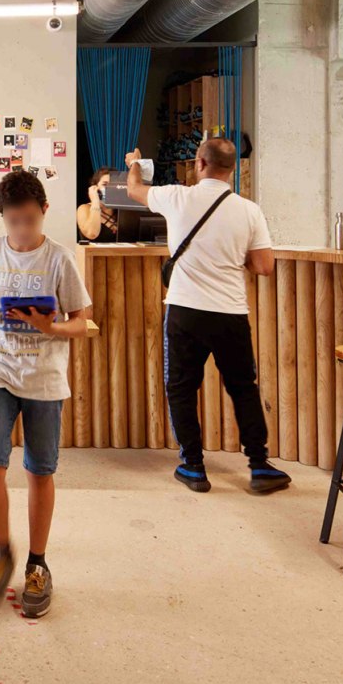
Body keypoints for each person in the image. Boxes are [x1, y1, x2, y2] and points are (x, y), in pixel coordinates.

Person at [124, 138, 289, 495]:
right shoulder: (248, 210)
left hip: (185, 310)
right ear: (231, 168)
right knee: (243, 388)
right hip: (231, 313)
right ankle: (259, 466)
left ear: (199, 163)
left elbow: (134, 189)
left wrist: (134, 162)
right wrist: (231, 256)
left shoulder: (177, 197)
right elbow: (264, 266)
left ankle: (194, 466)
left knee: (181, 389)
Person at [0, 170, 91, 618]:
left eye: (30, 220)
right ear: (2, 217)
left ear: (44, 213)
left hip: (44, 375)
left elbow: (82, 321)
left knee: (40, 470)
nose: (22, 229)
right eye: (14, 221)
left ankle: (38, 563)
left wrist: (50, 327)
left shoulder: (59, 259)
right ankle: (3, 551)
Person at [75, 167, 121, 242]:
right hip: (93, 253)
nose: (110, 188)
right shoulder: (84, 209)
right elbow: (92, 233)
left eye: (114, 185)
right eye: (105, 184)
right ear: (95, 187)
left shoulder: (122, 210)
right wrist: (95, 201)